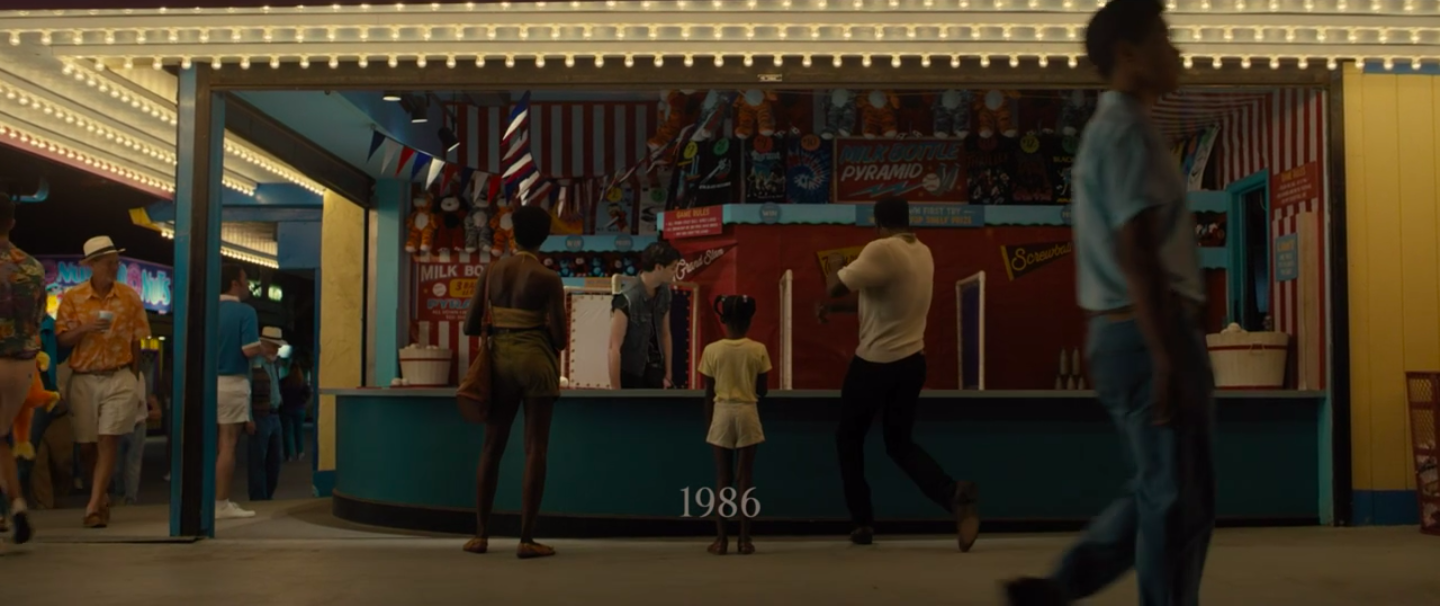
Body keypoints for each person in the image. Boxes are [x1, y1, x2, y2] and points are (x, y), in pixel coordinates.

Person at [1002, 3, 1215, 605]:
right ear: (1128, 54)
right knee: (1176, 501)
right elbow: (1137, 248)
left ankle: (1059, 587)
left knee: (1167, 490)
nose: (1178, 52)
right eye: (1166, 39)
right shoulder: (1126, 129)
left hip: (1126, 333)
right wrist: (1167, 353)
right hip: (1148, 332)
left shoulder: (1121, 127)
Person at [818, 197, 979, 551]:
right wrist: (840, 308)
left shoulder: (880, 249)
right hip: (911, 362)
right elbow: (882, 297)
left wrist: (833, 263)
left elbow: (834, 285)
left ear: (878, 224)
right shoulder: (922, 252)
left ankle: (862, 522)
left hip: (875, 363)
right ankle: (952, 493)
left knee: (849, 439)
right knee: (899, 443)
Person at [461, 205, 568, 559]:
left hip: (500, 362)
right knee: (535, 449)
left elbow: (470, 325)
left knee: (491, 448)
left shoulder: (492, 272)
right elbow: (561, 337)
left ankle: (480, 535)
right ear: (544, 238)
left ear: (512, 233)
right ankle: (526, 539)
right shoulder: (549, 278)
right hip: (537, 363)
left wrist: (503, 325)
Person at [55, 235, 150, 529]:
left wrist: (134, 379)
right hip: (84, 377)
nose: (115, 268)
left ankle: (93, 506)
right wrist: (85, 327)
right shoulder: (72, 298)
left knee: (109, 439)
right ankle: (102, 495)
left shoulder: (129, 297)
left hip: (119, 375)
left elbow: (138, 340)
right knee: (87, 446)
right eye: (109, 263)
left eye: (117, 263)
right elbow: (62, 339)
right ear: (93, 265)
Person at [697, 295, 770, 556]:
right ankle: (745, 540)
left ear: (723, 320)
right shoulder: (758, 349)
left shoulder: (711, 350)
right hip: (748, 412)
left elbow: (708, 392)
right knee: (745, 478)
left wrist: (709, 424)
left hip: (722, 413)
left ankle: (721, 541)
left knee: (722, 478)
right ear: (750, 321)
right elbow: (763, 389)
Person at [0, 193, 44, 545]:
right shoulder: (32, 267)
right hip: (21, 367)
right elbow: (38, 318)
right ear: (12, 222)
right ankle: (15, 505)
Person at [216, 264, 263, 519]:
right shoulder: (245, 312)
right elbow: (248, 349)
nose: (247, 286)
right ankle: (220, 503)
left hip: (205, 382)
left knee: (205, 444)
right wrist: (263, 348)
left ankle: (198, 500)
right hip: (232, 382)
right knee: (228, 444)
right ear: (235, 283)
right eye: (245, 280)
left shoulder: (206, 309)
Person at [608, 242, 682, 389]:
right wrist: (615, 390)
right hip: (631, 373)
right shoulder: (627, 299)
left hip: (656, 370)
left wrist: (668, 373)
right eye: (673, 268)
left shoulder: (664, 292)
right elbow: (614, 348)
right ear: (658, 267)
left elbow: (665, 333)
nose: (675, 272)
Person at [246, 327, 286, 501]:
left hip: (275, 415)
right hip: (260, 415)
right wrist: (248, 417)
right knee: (258, 461)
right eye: (273, 347)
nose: (275, 351)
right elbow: (246, 390)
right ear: (264, 345)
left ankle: (267, 495)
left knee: (274, 460)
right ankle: (258, 497)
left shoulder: (274, 364)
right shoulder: (253, 362)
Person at [111, 362, 159, 505]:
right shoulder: (117, 378)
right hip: (120, 424)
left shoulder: (139, 377)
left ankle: (130, 497)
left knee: (132, 463)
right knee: (118, 464)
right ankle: (120, 492)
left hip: (136, 424)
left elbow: (140, 400)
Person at [278, 360, 310, 462]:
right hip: (299, 409)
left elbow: (280, 394)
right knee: (299, 431)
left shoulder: (284, 381)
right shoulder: (302, 382)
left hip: (287, 409)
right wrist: (304, 403)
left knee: (288, 432)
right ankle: (300, 452)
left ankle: (289, 455)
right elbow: (308, 394)